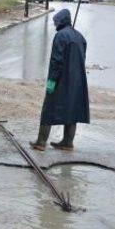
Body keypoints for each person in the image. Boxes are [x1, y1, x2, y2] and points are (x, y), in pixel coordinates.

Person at [30, 8, 89, 151]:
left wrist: (52, 80)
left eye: (56, 22)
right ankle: (67, 143)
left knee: (49, 108)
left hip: (62, 80)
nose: (55, 25)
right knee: (72, 109)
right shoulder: (80, 37)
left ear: (61, 22)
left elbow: (57, 61)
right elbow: (83, 58)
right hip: (78, 81)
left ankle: (41, 142)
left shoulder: (60, 36)